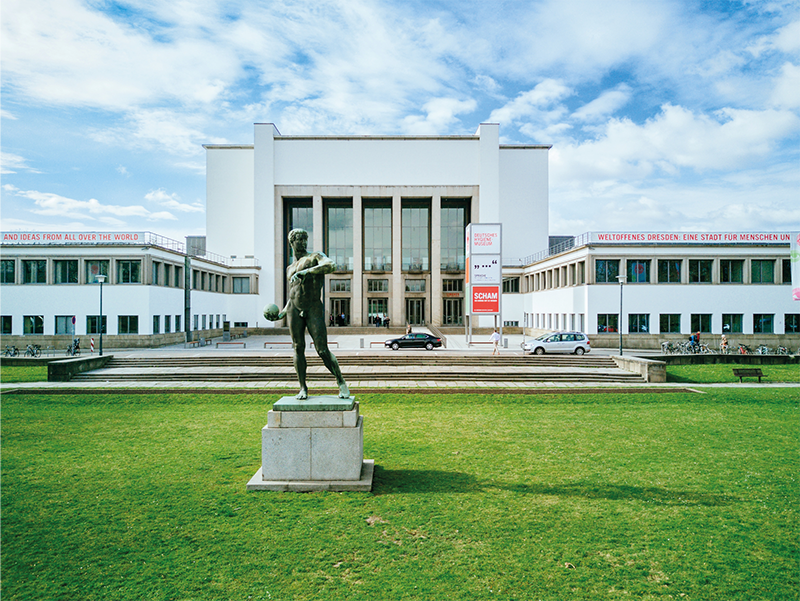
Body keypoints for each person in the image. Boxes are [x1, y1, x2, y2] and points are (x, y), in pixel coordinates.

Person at [263, 228, 349, 400]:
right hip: (294, 309)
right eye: (299, 239)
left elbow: (331, 265)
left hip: (313, 307)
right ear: (291, 242)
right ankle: (303, 388)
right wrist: (281, 314)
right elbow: (292, 293)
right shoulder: (289, 268)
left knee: (322, 350)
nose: (302, 242)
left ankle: (341, 382)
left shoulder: (315, 257)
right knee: (297, 347)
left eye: (304, 239)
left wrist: (307, 271)